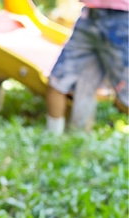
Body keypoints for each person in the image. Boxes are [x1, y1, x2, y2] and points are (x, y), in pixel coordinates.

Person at [46, 1, 128, 135]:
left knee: (125, 96)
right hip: (90, 14)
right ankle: (55, 141)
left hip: (122, 18)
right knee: (58, 80)